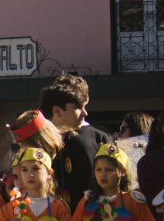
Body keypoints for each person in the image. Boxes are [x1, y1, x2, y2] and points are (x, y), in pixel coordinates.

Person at [40, 73, 111, 205]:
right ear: (57, 111)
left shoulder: (84, 142)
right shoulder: (41, 143)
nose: (85, 113)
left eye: (84, 106)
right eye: (78, 107)